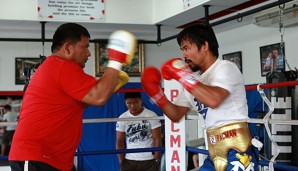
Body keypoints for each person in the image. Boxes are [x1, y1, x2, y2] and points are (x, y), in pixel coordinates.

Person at [9, 23, 137, 171]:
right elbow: (99, 97)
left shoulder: (56, 68)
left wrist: (110, 85)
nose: (88, 53)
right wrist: (116, 60)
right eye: (85, 47)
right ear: (68, 47)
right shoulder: (62, 66)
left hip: (54, 159)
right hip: (37, 157)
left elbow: (88, 100)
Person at [141, 24, 259, 171]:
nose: (184, 55)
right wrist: (157, 94)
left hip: (237, 149)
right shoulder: (193, 79)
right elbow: (175, 114)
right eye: (183, 50)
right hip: (214, 151)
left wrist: (183, 76)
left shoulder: (225, 67)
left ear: (204, 46)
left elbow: (214, 100)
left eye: (187, 48)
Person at [116, 92, 162, 171]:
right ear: (125, 103)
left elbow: (157, 138)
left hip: (149, 159)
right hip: (129, 160)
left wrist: (156, 159)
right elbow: (119, 140)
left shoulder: (151, 115)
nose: (133, 106)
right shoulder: (123, 117)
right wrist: (121, 160)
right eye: (129, 103)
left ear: (141, 100)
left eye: (136, 102)